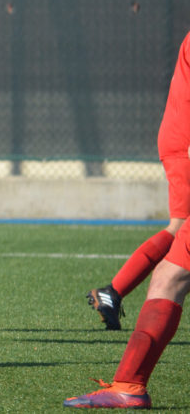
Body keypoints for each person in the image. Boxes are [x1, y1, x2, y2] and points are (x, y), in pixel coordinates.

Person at [64, 30, 190, 408]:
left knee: (175, 252)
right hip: (181, 146)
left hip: (181, 145)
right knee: (173, 265)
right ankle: (129, 382)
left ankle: (129, 381)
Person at [86, 31, 190, 332]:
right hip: (183, 142)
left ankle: (113, 292)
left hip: (179, 139)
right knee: (181, 227)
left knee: (181, 226)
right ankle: (113, 292)